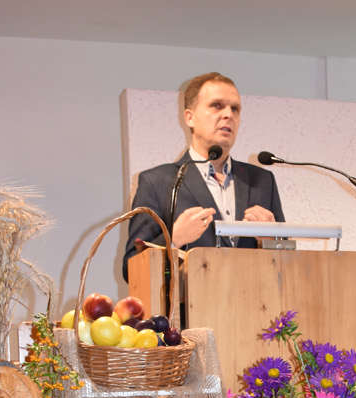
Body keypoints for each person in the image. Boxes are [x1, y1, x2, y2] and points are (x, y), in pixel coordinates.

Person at [122, 71, 284, 280]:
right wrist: (173, 240)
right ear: (190, 117)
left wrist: (273, 240)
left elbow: (286, 264)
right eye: (217, 105)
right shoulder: (157, 183)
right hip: (189, 301)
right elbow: (131, 270)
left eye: (235, 109)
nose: (228, 115)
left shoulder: (262, 181)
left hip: (255, 299)